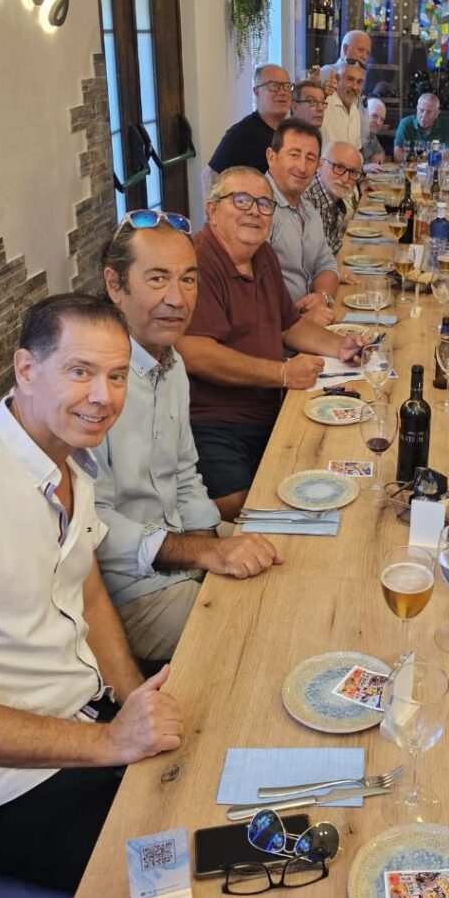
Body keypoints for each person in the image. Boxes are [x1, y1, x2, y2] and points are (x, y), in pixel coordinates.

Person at [0, 294, 183, 893]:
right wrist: (109, 740)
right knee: (189, 869)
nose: (103, 396)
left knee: (226, 771)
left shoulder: (70, 465)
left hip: (80, 725)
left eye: (116, 376)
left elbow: (90, 595)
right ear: (26, 369)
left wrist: (132, 702)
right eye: (80, 371)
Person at [95, 219, 282, 663]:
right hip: (127, 589)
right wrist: (205, 553)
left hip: (179, 552)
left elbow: (183, 472)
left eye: (189, 279)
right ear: (115, 285)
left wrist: (208, 543)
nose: (178, 299)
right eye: (157, 279)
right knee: (261, 634)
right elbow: (92, 527)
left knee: (290, 562)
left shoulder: (172, 362)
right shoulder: (93, 385)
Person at [177, 166, 363, 520]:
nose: (254, 211)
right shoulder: (198, 262)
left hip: (268, 411)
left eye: (264, 204)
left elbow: (288, 325)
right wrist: (282, 373)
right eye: (241, 200)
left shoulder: (262, 255)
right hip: (213, 422)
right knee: (251, 504)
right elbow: (196, 353)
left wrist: (339, 346)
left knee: (334, 466)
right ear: (212, 210)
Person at [264, 119, 340, 325]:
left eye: (310, 158)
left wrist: (322, 297)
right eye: (294, 155)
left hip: (308, 323)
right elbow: (250, 293)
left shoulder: (309, 211)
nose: (302, 167)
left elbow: (327, 265)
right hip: (278, 330)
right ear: (271, 157)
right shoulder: (258, 209)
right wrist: (297, 321)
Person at [204, 64, 292, 189]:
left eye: (287, 86)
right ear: (256, 92)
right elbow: (209, 176)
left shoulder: (290, 131)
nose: (282, 92)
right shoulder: (241, 133)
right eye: (274, 86)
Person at [303, 140, 364, 255]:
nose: (345, 179)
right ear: (319, 165)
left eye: (353, 172)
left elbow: (332, 252)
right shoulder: (306, 201)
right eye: (339, 167)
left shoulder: (335, 201)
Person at [393, 93, 449, 163]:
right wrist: (425, 162)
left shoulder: (446, 125)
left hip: (435, 169)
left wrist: (417, 160)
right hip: (412, 169)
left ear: (437, 113)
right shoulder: (406, 124)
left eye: (428, 112)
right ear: (417, 109)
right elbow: (397, 156)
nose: (424, 115)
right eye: (421, 110)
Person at [322, 58, 368, 151]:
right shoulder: (323, 105)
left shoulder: (355, 112)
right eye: (350, 79)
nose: (355, 87)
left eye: (359, 82)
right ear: (337, 79)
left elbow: (356, 150)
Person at [362, 97, 386, 165]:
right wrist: (364, 167)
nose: (378, 122)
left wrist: (380, 156)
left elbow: (381, 152)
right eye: (374, 116)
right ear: (364, 113)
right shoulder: (353, 132)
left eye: (382, 119)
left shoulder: (371, 135)